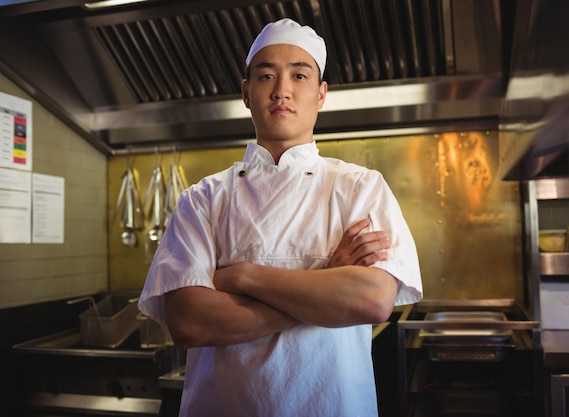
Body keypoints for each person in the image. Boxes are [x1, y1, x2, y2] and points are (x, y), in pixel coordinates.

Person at [138, 18, 423, 417]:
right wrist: (325, 283)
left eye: (299, 75)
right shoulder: (202, 199)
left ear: (321, 94)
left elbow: (372, 300)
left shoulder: (360, 187)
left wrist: (243, 277)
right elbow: (189, 323)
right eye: (266, 75)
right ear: (246, 93)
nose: (282, 90)